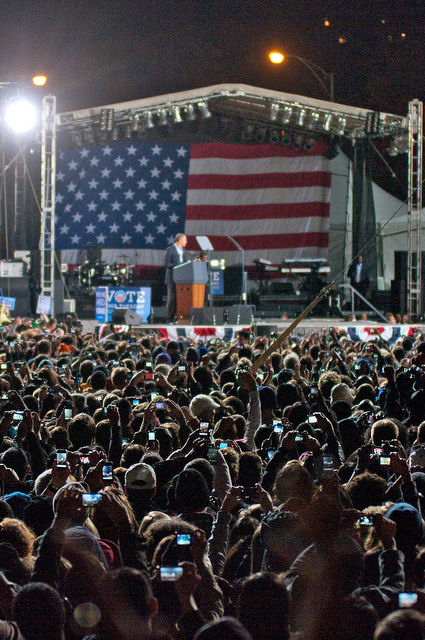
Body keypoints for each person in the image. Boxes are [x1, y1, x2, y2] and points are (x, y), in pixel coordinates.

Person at [164, 233, 188, 324]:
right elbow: (166, 264)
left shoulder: (184, 251)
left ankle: (179, 318)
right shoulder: (170, 250)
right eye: (185, 240)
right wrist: (177, 266)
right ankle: (170, 319)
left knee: (181, 298)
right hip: (172, 277)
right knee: (172, 298)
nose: (186, 242)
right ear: (180, 240)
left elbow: (186, 264)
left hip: (182, 278)